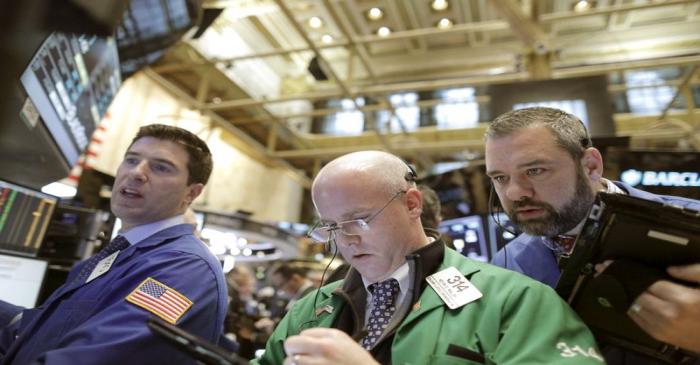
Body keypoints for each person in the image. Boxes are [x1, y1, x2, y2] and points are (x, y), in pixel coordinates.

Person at [252, 150, 603, 365]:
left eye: (360, 220)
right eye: (331, 226)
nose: (346, 239)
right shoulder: (310, 310)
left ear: (412, 204)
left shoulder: (516, 301)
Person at [0, 124, 228, 365]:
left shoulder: (183, 269)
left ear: (192, 193)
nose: (137, 173)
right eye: (131, 160)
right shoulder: (122, 254)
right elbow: (42, 332)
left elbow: (96, 359)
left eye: (161, 167)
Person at [485, 107, 700, 358]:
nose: (514, 193)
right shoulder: (507, 265)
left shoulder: (693, 225)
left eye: (534, 171)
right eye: (500, 177)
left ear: (590, 166)